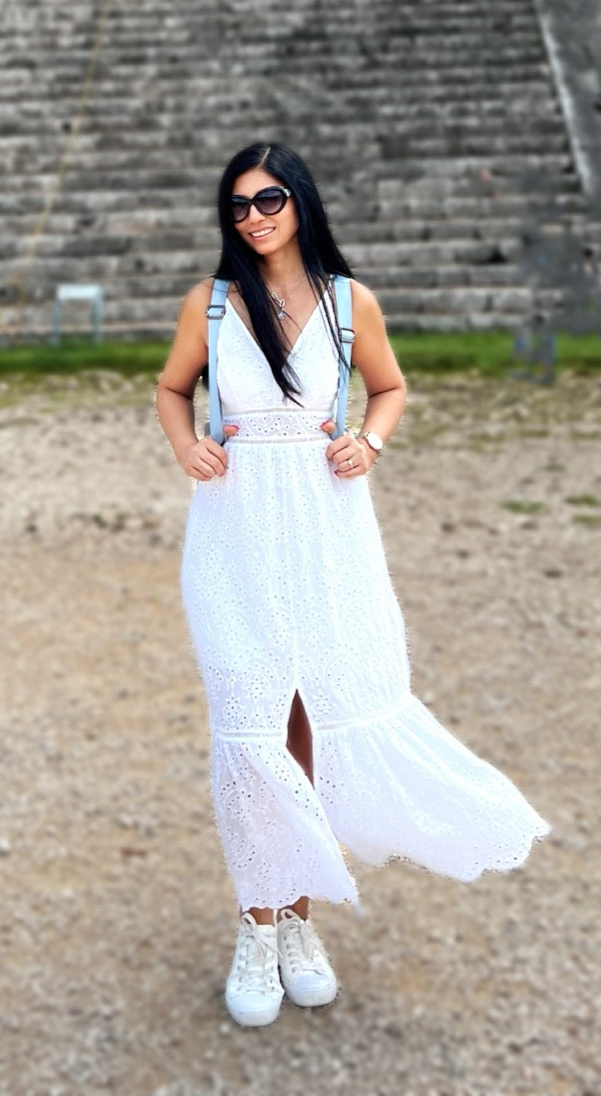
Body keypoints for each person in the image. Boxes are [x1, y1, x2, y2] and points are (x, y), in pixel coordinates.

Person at [156, 142, 549, 1028]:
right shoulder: (208, 304)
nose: (253, 218)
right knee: (249, 721)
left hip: (326, 527)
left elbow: (391, 389)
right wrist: (186, 444)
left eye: (268, 201)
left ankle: (299, 919)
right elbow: (172, 390)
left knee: (312, 721)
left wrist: (367, 442)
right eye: (237, 207)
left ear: (301, 201)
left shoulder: (347, 303)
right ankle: (256, 925)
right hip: (233, 528)